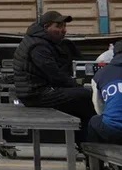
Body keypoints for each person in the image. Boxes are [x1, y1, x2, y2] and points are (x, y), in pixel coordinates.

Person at [11, 10, 94, 139]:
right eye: (59, 26)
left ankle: (82, 139)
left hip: (37, 91)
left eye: (64, 26)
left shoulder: (39, 41)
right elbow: (55, 75)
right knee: (87, 96)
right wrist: (78, 85)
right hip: (36, 94)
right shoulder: (38, 46)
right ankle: (88, 141)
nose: (64, 30)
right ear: (46, 27)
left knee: (80, 100)